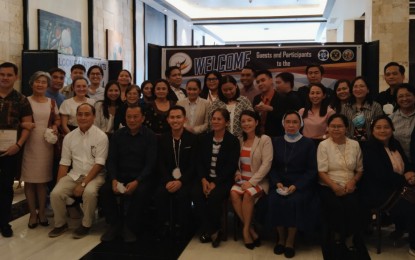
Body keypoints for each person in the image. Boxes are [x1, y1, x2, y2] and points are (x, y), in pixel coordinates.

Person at [49, 103, 108, 239]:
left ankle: (86, 225)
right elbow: (64, 163)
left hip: (96, 175)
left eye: (87, 114)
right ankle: (61, 224)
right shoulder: (69, 137)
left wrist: (83, 184)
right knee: (55, 193)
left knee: (90, 192)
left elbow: (99, 164)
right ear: (76, 117)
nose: (83, 117)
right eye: (80, 114)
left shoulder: (101, 136)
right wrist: (60, 184)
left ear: (93, 117)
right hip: (74, 175)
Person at [99, 104, 157, 242]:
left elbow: (150, 164)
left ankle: (129, 227)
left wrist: (137, 181)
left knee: (141, 192)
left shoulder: (150, 136)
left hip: (141, 178)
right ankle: (115, 225)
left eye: (135, 117)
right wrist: (113, 179)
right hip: (120, 177)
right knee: (105, 190)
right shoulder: (118, 135)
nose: (132, 120)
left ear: (142, 118)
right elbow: (111, 160)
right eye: (129, 117)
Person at [360, 115, 415, 257]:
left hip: (398, 186)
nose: (383, 130)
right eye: (378, 127)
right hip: (379, 192)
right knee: (411, 206)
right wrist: (405, 179)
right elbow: (381, 175)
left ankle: (404, 229)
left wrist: (410, 173)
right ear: (372, 130)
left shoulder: (394, 143)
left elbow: (406, 162)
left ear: (392, 129)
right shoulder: (369, 147)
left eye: (386, 127)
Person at [268, 110, 318, 258]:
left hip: (300, 184)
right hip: (280, 183)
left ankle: (290, 241)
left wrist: (297, 185)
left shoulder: (308, 143)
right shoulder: (276, 141)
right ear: (283, 124)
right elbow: (272, 167)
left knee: (294, 201)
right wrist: (277, 183)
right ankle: (281, 239)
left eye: (295, 122)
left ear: (300, 124)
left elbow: (311, 170)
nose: (291, 125)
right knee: (274, 200)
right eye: (288, 122)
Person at [317, 114, 366, 256]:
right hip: (328, 185)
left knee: (354, 205)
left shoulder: (355, 144)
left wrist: (353, 182)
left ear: (346, 128)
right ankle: (338, 236)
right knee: (336, 206)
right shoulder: (323, 145)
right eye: (333, 126)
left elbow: (359, 169)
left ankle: (350, 238)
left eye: (340, 126)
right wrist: (334, 187)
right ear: (328, 128)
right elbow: (321, 171)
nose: (336, 129)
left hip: (350, 184)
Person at [193, 108, 240, 248]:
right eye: (213, 119)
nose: (215, 121)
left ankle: (210, 230)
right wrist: (203, 180)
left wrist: (215, 183)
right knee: (195, 194)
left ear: (226, 122)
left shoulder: (233, 141)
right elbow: (198, 161)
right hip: (205, 178)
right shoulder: (204, 138)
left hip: (223, 180)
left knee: (214, 197)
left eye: (219, 119)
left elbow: (231, 166)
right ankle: (213, 229)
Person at [21, 71, 60, 229]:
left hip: (45, 144)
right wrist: (23, 125)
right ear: (32, 84)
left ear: (47, 85)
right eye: (37, 81)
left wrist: (55, 126)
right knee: (30, 181)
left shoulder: (51, 102)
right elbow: (18, 120)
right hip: (29, 143)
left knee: (43, 182)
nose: (40, 84)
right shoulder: (25, 101)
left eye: (44, 82)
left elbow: (56, 118)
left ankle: (42, 212)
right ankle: (32, 214)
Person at [230, 110, 272, 250]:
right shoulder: (239, 140)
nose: (246, 123)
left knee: (248, 194)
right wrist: (237, 173)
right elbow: (236, 163)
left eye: (249, 120)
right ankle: (251, 230)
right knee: (233, 193)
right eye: (243, 121)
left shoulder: (264, 139)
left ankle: (245, 230)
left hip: (259, 181)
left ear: (256, 122)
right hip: (242, 179)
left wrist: (252, 182)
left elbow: (267, 164)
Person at [0, 62, 33, 237]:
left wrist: (18, 145)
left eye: (8, 75)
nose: (5, 78)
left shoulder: (21, 100)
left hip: (11, 150)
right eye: (2, 74)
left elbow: (28, 126)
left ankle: (4, 222)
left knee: (6, 187)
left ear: (16, 77)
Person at [155, 105, 197, 239]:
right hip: (167, 179)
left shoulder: (193, 139)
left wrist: (181, 182)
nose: (175, 120)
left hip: (186, 179)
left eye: (178, 117)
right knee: (160, 193)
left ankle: (183, 226)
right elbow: (160, 163)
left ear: (185, 119)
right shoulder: (162, 139)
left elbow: (194, 165)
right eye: (172, 117)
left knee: (184, 194)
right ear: (167, 120)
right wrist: (167, 180)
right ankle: (165, 224)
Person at [253, 70, 300, 137]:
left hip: (277, 137)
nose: (260, 84)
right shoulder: (256, 98)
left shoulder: (283, 98)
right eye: (258, 82)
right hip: (258, 136)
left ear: (271, 80)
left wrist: (271, 109)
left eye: (263, 80)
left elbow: (287, 120)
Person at [342, 76, 383, 141]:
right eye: (355, 86)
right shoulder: (345, 107)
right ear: (352, 90)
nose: (358, 89)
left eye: (362, 86)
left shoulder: (376, 106)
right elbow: (343, 127)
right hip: (349, 144)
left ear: (368, 90)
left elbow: (380, 127)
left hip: (371, 143)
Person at [389, 83, 415, 160]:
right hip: (398, 163)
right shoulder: (390, 119)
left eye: (408, 95)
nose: (404, 99)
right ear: (396, 99)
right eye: (400, 96)